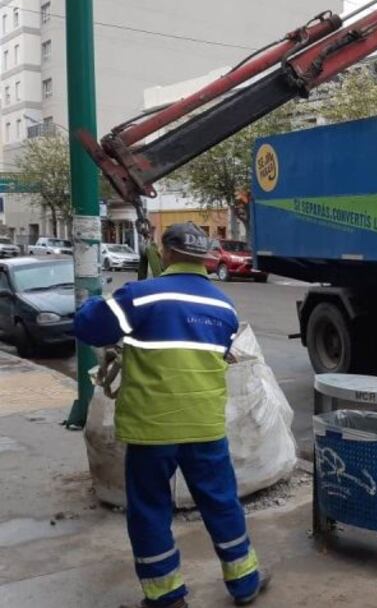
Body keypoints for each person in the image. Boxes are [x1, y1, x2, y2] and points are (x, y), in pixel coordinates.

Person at [74, 222, 269, 608]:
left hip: (152, 428)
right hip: (205, 426)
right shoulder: (223, 306)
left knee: (149, 511)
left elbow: (88, 327)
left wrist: (94, 301)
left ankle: (166, 597)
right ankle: (245, 582)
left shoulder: (140, 296)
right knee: (221, 502)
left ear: (165, 254)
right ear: (204, 258)